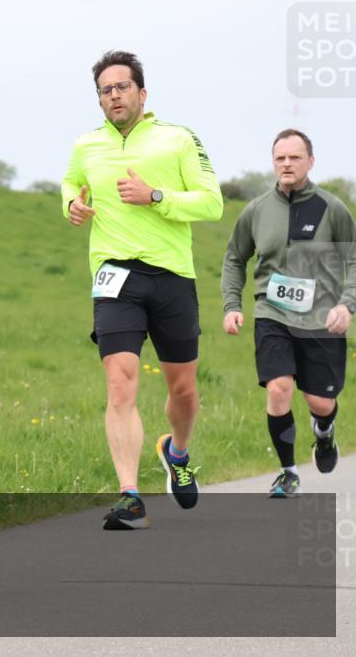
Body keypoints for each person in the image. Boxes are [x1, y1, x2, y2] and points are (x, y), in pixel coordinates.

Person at [61, 51, 223, 530]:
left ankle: (177, 452)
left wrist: (156, 197)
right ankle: (130, 495)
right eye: (105, 90)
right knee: (119, 382)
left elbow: (211, 202)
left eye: (122, 86)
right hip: (115, 277)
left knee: (184, 390)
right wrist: (72, 202)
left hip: (172, 275)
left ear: (142, 92)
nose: (114, 95)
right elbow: (71, 180)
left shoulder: (178, 138)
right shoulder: (86, 145)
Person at [221, 129, 354, 498]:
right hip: (272, 313)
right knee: (279, 389)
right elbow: (235, 258)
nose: (287, 164)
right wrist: (232, 305)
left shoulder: (333, 209)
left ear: (310, 161)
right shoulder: (257, 210)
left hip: (321, 319)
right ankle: (288, 472)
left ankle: (324, 433)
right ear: (273, 162)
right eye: (280, 158)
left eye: (295, 157)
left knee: (320, 402)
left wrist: (347, 303)